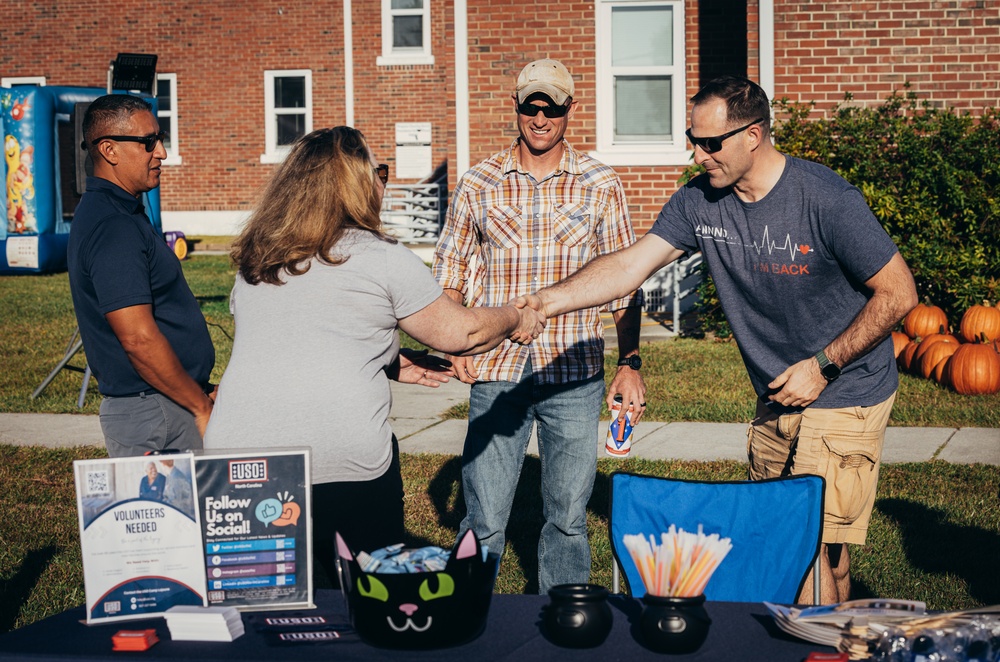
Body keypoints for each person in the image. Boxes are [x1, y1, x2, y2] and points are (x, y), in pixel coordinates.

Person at [520, 75, 919, 604]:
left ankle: (814, 652)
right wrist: (546, 301)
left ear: (753, 136)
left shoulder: (824, 198)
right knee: (814, 548)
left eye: (711, 143)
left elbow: (899, 294)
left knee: (799, 544)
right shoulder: (699, 204)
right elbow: (628, 267)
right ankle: (840, 640)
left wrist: (821, 364)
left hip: (846, 387)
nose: (699, 154)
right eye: (693, 139)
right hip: (777, 391)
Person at [202, 126, 545, 582]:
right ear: (358, 184)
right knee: (361, 611)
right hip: (339, 465)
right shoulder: (379, 256)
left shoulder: (257, 262)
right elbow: (462, 334)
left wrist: (391, 361)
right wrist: (515, 316)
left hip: (239, 464)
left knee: (260, 610)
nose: (383, 181)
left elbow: (306, 336)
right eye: (377, 171)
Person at [432, 59, 645, 595]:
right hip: (498, 369)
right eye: (532, 105)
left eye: (552, 106)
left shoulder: (601, 183)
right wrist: (453, 337)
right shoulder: (480, 181)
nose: (541, 117)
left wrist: (631, 363)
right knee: (482, 518)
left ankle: (564, 621)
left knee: (569, 518)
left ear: (571, 109)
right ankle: (466, 614)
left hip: (574, 371)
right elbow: (452, 271)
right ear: (517, 107)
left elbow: (624, 281)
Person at [67, 94, 215, 457]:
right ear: (110, 150)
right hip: (156, 414)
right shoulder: (113, 226)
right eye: (148, 142)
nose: (161, 152)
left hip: (164, 403)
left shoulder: (122, 212)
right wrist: (199, 405)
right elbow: (138, 339)